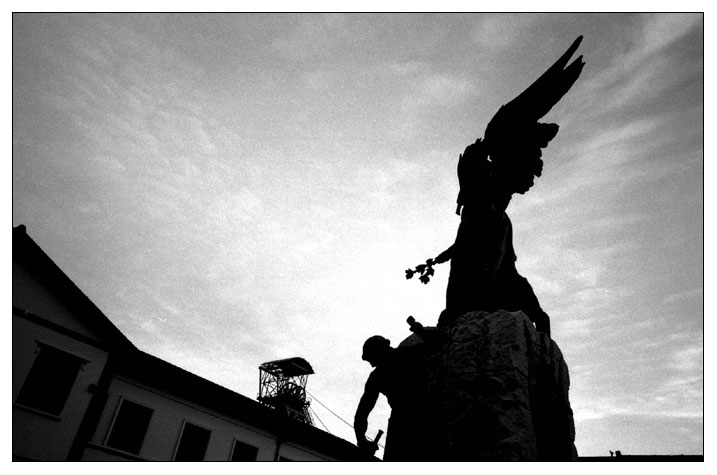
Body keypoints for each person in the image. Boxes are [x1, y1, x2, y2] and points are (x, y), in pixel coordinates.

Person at [354, 318, 448, 461]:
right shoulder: (408, 354)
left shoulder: (381, 373)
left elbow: (362, 414)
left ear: (380, 352)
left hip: (414, 422)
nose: (372, 364)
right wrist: (421, 332)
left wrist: (361, 441)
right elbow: (441, 340)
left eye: (371, 359)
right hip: (421, 419)